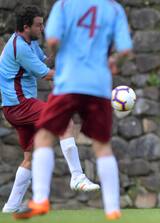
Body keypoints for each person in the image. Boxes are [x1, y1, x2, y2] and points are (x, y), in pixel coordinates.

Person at [13, 0, 132, 220]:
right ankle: (112, 208)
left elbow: (54, 40)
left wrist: (64, 53)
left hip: (68, 81)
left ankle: (40, 199)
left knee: (44, 137)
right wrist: (115, 61)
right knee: (103, 145)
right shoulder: (114, 9)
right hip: (98, 85)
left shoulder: (65, 5)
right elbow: (125, 50)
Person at [0, 5, 100, 213]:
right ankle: (77, 177)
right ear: (26, 27)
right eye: (39, 25)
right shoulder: (20, 47)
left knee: (29, 156)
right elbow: (44, 73)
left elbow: (45, 62)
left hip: (15, 107)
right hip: (21, 104)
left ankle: (10, 207)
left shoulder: (29, 43)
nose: (42, 28)